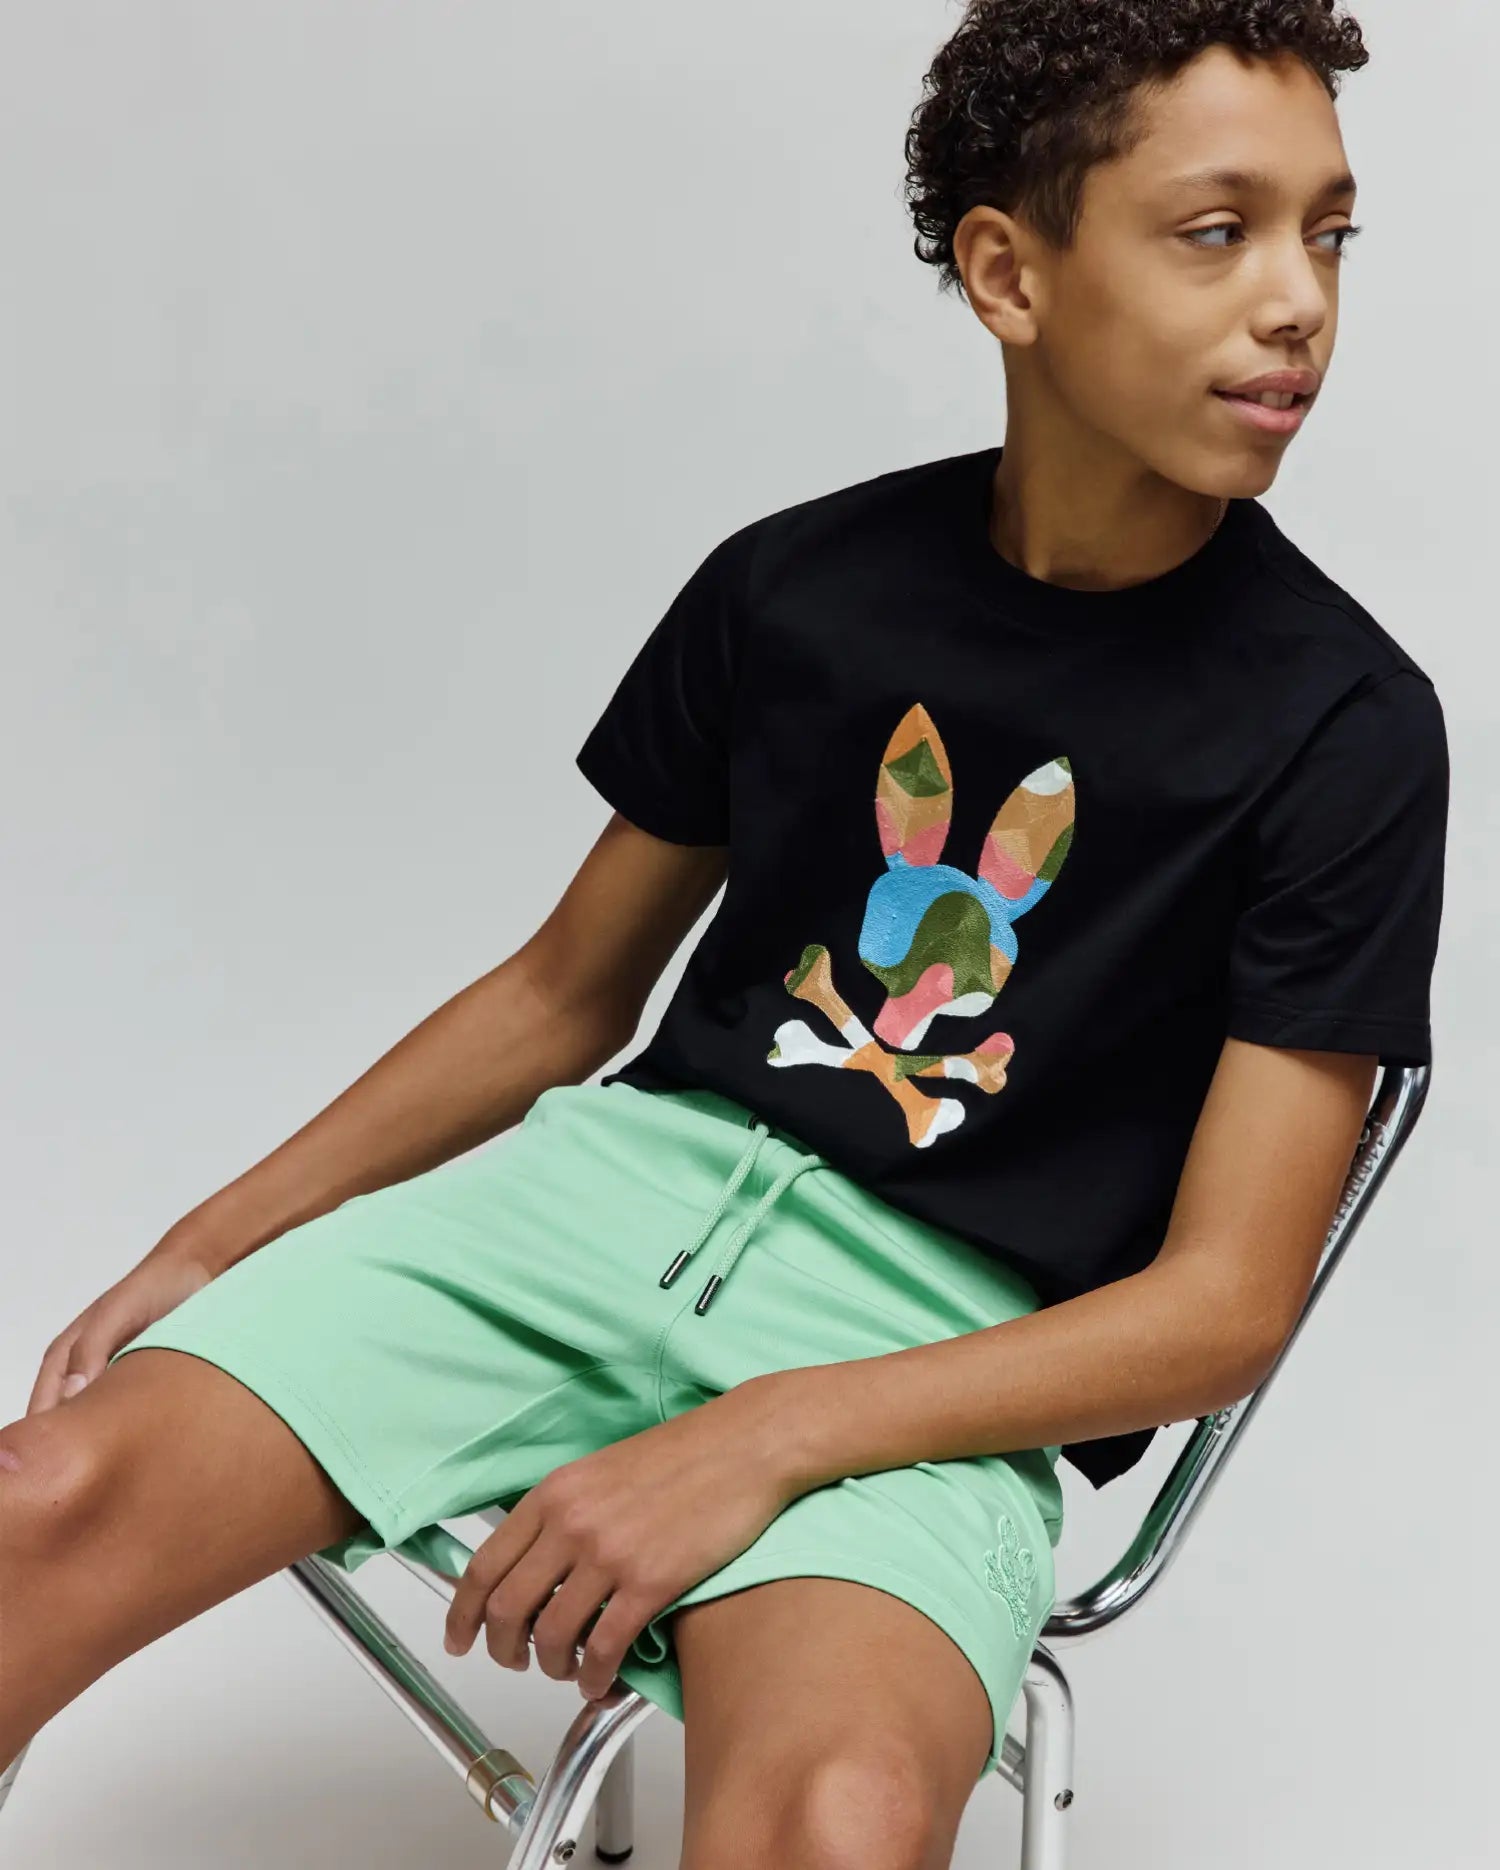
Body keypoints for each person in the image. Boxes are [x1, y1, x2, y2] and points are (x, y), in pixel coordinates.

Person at [1, 4, 1448, 1865]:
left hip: (934, 1350)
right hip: (591, 1212)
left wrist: (766, 1432)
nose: (1298, 301)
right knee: (39, 1501)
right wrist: (212, 1239)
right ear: (1009, 273)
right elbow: (560, 993)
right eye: (1217, 231)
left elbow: (1224, 1303)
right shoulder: (800, 585)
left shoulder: (1345, 729)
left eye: (1330, 233)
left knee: (832, 1823)